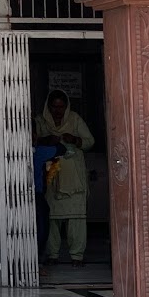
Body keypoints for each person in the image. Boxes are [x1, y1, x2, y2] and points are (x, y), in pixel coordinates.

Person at [34, 90, 95, 266]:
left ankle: (77, 256)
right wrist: (47, 140)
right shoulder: (40, 121)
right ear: (48, 106)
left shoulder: (74, 119)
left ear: (67, 107)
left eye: (62, 107)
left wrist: (75, 139)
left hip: (74, 177)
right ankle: (52, 255)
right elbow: (31, 141)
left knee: (76, 218)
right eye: (54, 106)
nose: (58, 111)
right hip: (52, 176)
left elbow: (90, 141)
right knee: (52, 217)